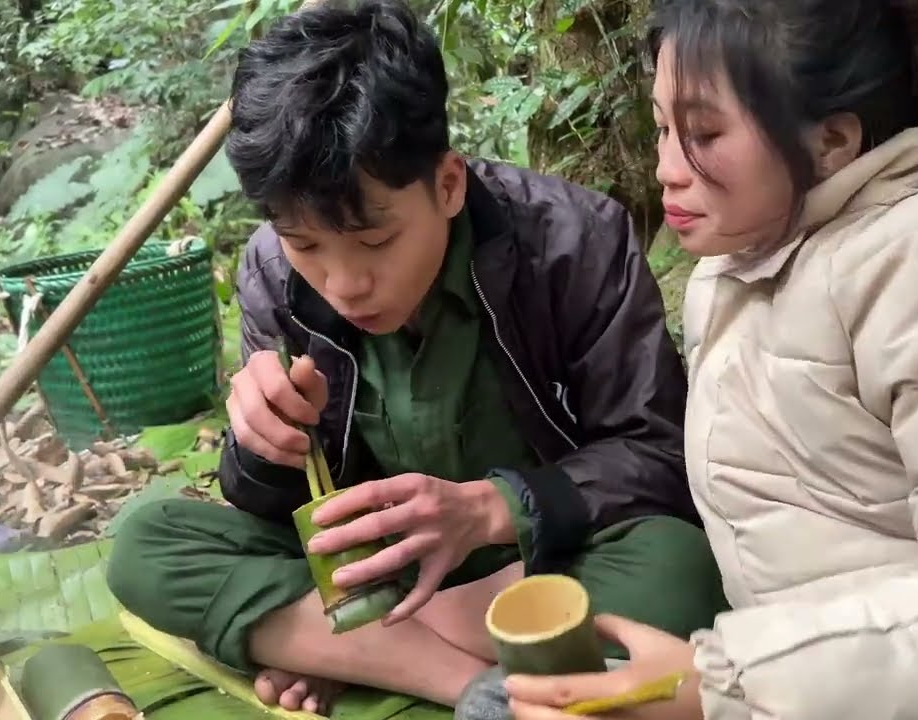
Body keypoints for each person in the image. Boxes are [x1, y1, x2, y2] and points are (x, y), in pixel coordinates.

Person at [105, 0, 729, 714]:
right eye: (306, 246)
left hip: (542, 559)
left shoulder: (577, 241)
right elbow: (277, 512)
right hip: (376, 569)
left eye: (375, 243)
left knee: (681, 569)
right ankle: (467, 684)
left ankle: (345, 644)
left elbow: (655, 455)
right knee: (146, 545)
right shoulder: (271, 275)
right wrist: (256, 448)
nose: (344, 285)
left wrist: (494, 508)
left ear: (448, 183)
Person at [503, 0, 918, 719]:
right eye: (663, 127)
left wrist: (727, 689)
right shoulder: (745, 266)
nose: (665, 168)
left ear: (831, 141)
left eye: (703, 133)